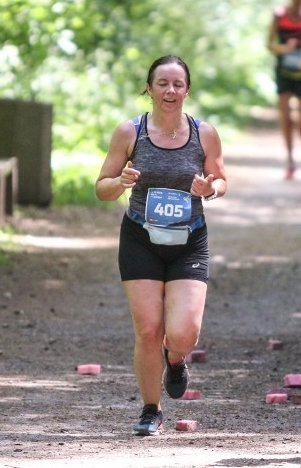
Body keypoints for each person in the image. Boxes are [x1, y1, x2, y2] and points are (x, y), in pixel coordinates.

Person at [95, 55, 227, 436]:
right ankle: (151, 409)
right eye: (163, 84)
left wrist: (210, 189)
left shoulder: (204, 133)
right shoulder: (129, 132)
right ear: (149, 88)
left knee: (183, 334)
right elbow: (101, 188)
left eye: (178, 84)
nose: (171, 91)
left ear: (187, 90)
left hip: (189, 240)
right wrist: (120, 181)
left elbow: (221, 180)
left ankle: (176, 358)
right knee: (149, 330)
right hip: (140, 238)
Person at [267, 0, 301, 179]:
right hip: (284, 72)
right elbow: (269, 44)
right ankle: (290, 161)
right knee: (286, 118)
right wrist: (285, 48)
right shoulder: (279, 15)